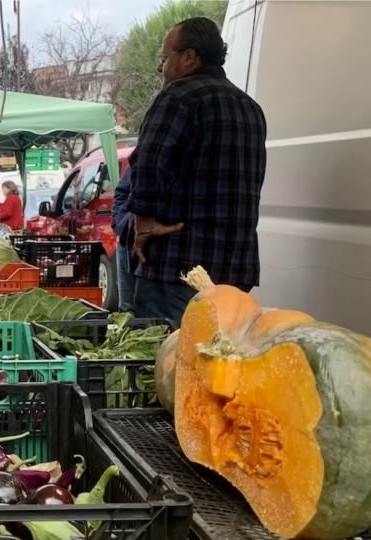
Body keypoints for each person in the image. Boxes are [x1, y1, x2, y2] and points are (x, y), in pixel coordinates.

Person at [127, 17, 267, 322]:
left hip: (179, 266)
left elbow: (148, 162)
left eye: (164, 58)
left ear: (189, 57)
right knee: (223, 362)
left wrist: (144, 223)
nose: (160, 68)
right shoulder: (250, 108)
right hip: (235, 270)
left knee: (166, 359)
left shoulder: (177, 97)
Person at [111, 167, 135, 313]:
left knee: (151, 306)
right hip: (128, 239)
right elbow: (121, 193)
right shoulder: (140, 158)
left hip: (159, 245)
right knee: (127, 306)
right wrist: (119, 226)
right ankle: (129, 332)